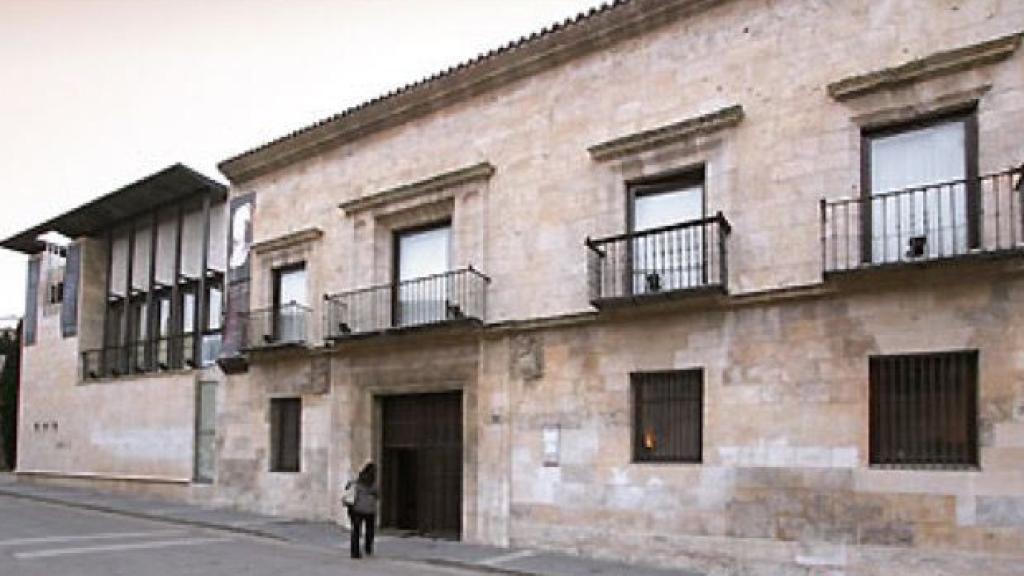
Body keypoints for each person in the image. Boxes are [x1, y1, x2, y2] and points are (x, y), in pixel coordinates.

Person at [345, 463, 378, 559]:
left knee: (356, 531)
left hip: (357, 509)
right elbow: (377, 494)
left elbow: (348, 489)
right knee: (370, 530)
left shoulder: (357, 481)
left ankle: (355, 552)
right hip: (370, 510)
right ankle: (368, 548)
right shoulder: (373, 483)